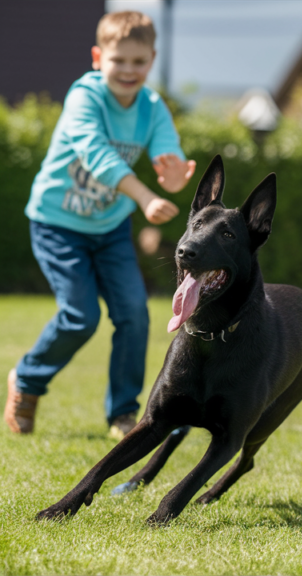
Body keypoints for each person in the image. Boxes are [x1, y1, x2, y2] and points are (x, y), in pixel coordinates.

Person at [4, 11, 196, 439]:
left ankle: (123, 415)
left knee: (133, 312)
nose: (128, 70)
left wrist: (174, 175)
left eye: (138, 62)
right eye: (119, 60)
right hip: (57, 223)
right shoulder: (84, 98)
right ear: (98, 57)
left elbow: (167, 151)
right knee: (80, 315)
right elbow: (97, 156)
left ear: (152, 59)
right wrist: (145, 195)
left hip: (108, 229)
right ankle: (27, 380)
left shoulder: (151, 107)